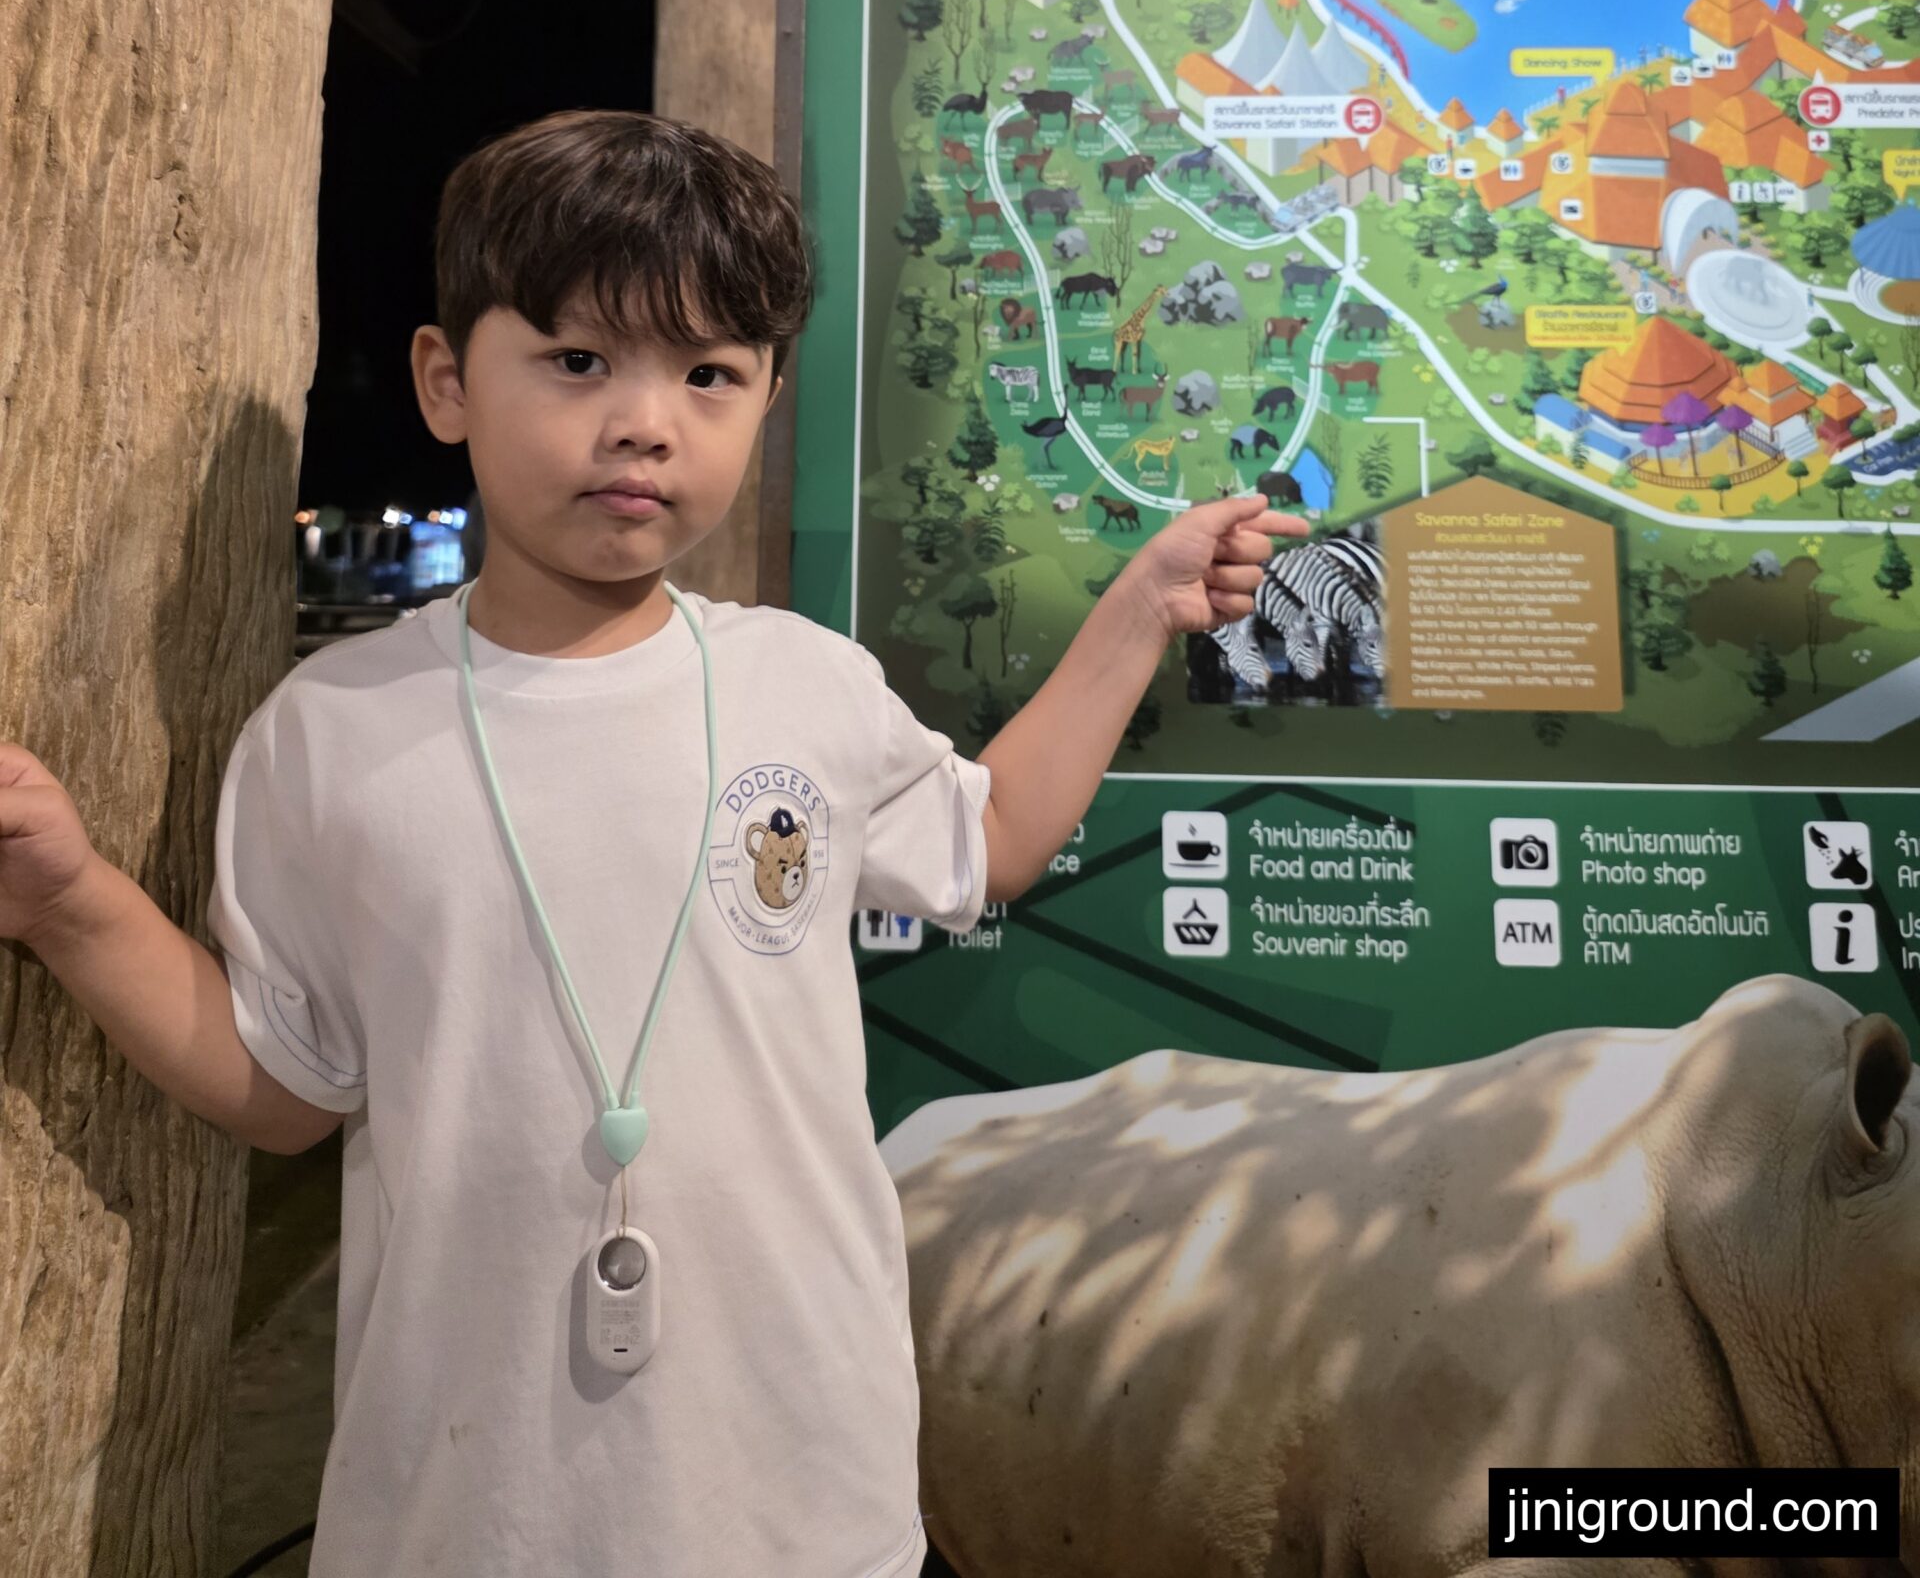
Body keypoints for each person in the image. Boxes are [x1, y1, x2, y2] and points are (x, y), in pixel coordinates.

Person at [0, 107, 1303, 1578]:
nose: (645, 421)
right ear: (447, 381)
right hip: (464, 1512)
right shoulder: (334, 729)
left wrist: (1140, 611)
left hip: (806, 1487)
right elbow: (288, 1084)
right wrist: (68, 902)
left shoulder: (801, 684)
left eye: (708, 375)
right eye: (576, 361)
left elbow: (987, 838)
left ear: (763, 397)